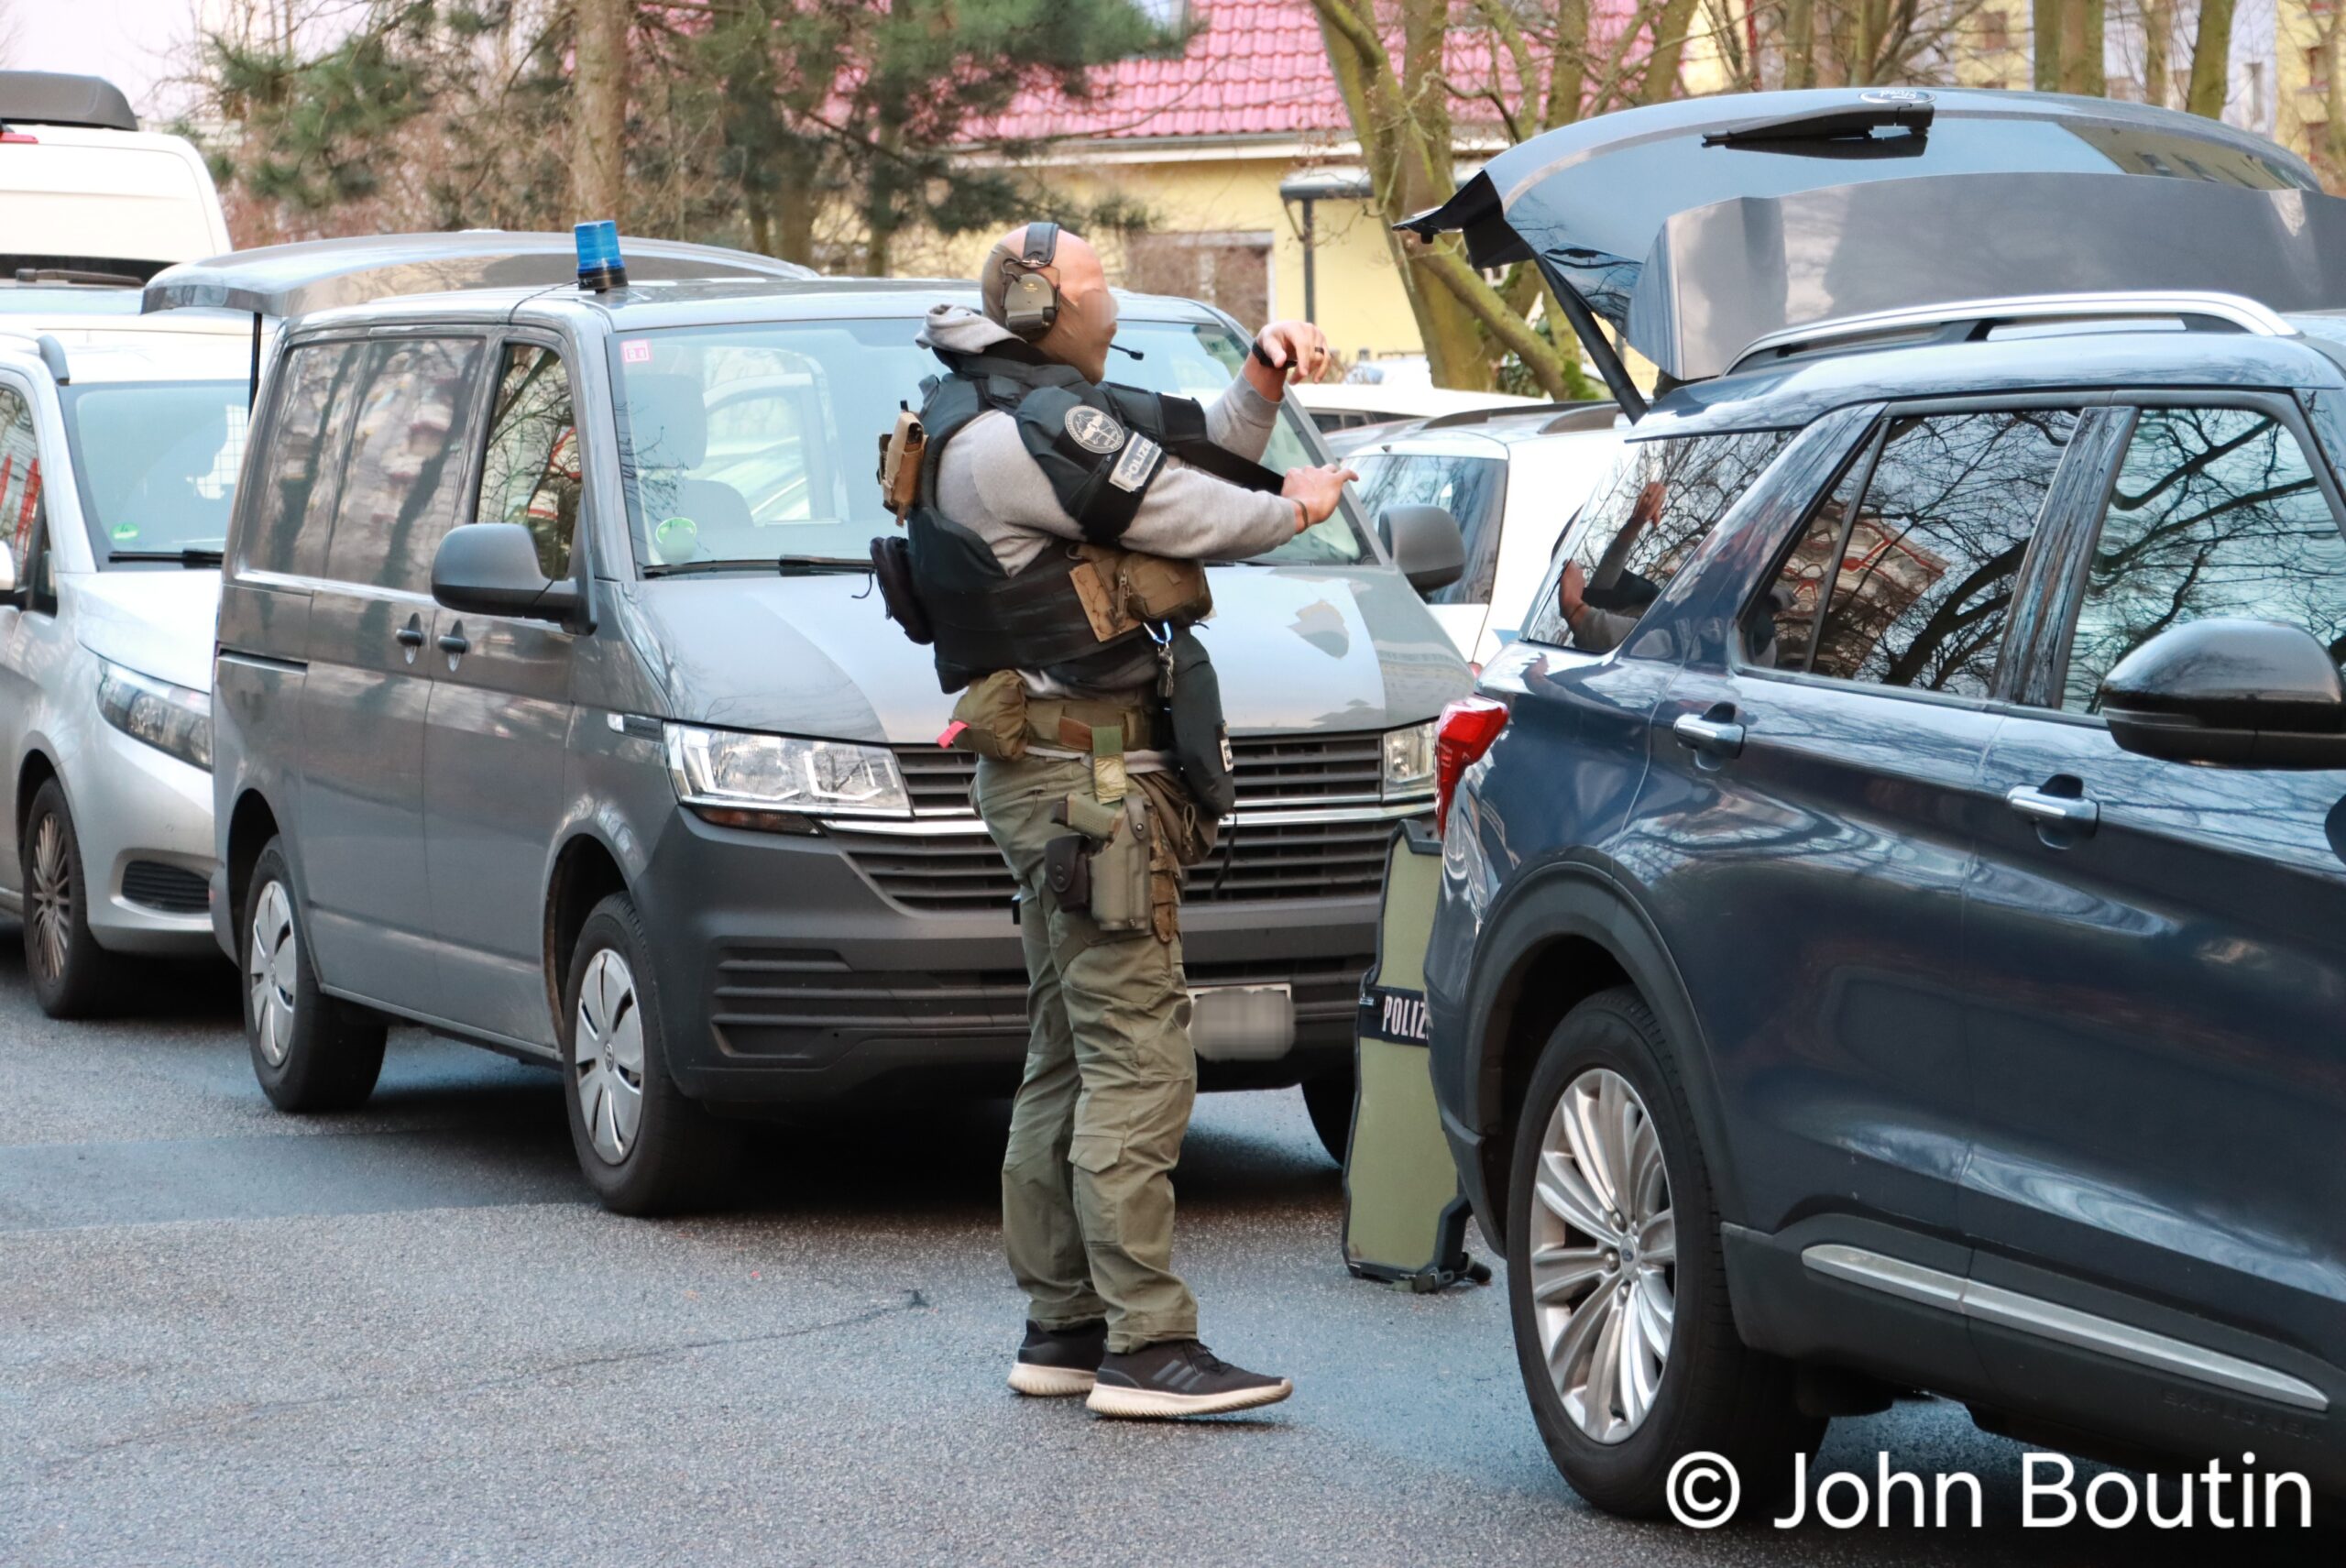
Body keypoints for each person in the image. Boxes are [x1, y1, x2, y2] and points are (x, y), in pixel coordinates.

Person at [880, 222, 1354, 1419]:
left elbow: (1197, 440)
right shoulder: (1014, 437)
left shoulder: (1010, 408)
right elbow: (1188, 511)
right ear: (1039, 307)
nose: (1113, 309)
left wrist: (1261, 378)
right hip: (1088, 784)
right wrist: (1295, 508)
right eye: (1096, 290)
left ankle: (1064, 1326)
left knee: (1068, 1051)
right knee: (1139, 1055)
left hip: (1056, 774)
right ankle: (1147, 1345)